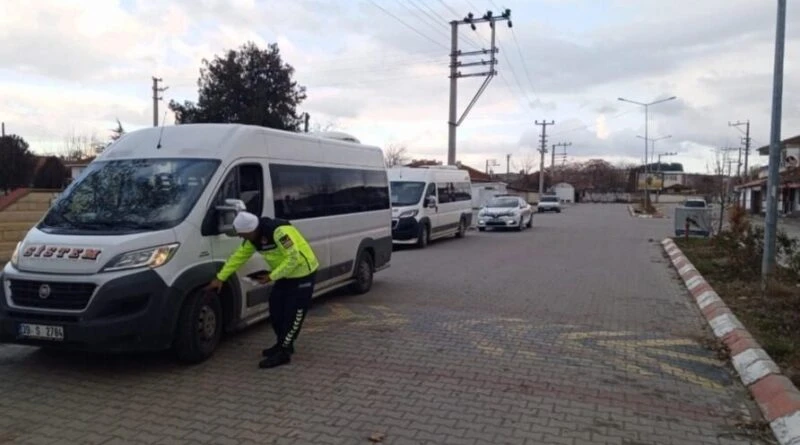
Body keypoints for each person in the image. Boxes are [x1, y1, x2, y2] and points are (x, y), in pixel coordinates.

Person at [206, 211, 319, 369]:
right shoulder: (253, 239)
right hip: (283, 276)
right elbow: (238, 257)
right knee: (275, 311)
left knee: (293, 316)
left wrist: (272, 276)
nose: (241, 237)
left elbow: (294, 258)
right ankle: (282, 344)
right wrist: (220, 278)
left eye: (242, 234)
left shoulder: (279, 233)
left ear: (251, 230)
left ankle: (284, 352)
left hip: (302, 274)